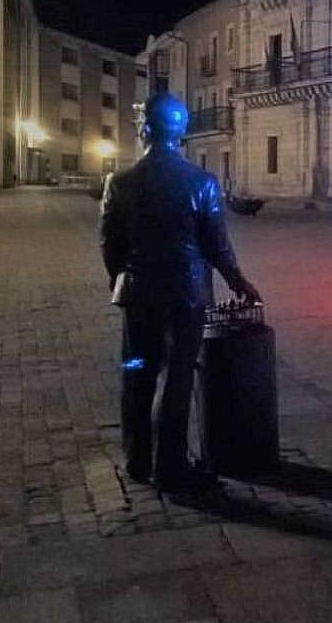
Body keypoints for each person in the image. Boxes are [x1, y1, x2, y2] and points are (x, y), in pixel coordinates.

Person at [99, 92, 261, 493]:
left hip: (138, 296)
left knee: (137, 370)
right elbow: (216, 245)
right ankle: (169, 464)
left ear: (145, 129)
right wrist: (239, 282)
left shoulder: (118, 183)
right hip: (186, 296)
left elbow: (109, 244)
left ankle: (137, 458)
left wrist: (120, 279)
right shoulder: (201, 183)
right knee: (176, 376)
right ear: (182, 133)